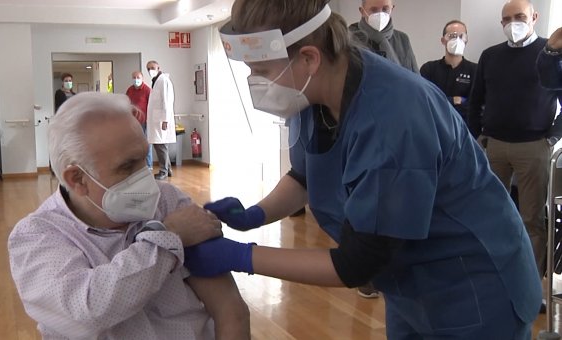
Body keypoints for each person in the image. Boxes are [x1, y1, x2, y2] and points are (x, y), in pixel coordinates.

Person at [184, 1, 542, 339]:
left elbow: (357, 263)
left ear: (309, 58)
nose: (254, 81)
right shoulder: (313, 94)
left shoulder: (393, 115)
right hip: (410, 283)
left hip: (473, 284)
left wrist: (238, 256)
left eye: (260, 71)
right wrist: (255, 214)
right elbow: (306, 174)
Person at [8, 92, 249, 339]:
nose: (146, 178)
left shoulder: (168, 200)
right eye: (127, 166)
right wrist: (168, 237)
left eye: (144, 159)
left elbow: (230, 311)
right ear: (78, 179)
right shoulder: (37, 236)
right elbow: (88, 313)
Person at [468, 0, 562, 285]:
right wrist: (476, 137)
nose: (513, 23)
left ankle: (530, 281)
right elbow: (476, 100)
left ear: (534, 17)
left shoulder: (550, 53)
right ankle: (494, 273)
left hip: (534, 147)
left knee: (532, 218)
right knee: (491, 212)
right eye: (507, 19)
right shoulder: (490, 55)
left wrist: (553, 137)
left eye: (519, 16)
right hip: (494, 145)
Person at [420, 20, 477, 123]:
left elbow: (476, 105)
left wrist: (443, 101)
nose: (457, 40)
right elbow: (425, 101)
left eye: (461, 36)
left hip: (465, 128)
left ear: (466, 40)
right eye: (452, 36)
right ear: (443, 40)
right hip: (435, 126)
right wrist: (454, 100)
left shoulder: (475, 70)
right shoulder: (428, 69)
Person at [349, 0, 418, 73]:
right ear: (362, 11)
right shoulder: (349, 38)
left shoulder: (402, 39)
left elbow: (416, 78)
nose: (380, 15)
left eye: (385, 9)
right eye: (374, 10)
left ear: (392, 9)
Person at [146, 60, 176, 180]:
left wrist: (165, 120)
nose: (150, 70)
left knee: (161, 146)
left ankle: (163, 171)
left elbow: (167, 102)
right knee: (160, 145)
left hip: (162, 120)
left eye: (153, 68)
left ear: (159, 67)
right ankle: (167, 169)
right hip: (157, 119)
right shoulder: (156, 81)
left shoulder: (163, 81)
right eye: (148, 69)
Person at [126, 71, 153, 169]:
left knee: (146, 144)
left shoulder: (147, 90)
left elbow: (151, 106)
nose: (136, 79)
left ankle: (149, 166)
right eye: (134, 77)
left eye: (138, 77)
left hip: (144, 122)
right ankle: (137, 167)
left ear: (142, 78)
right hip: (133, 121)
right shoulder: (130, 90)